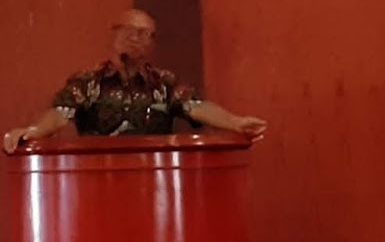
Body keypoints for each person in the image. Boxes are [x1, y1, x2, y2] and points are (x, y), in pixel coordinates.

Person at [3, 9, 267, 153]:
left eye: (143, 33)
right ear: (113, 35)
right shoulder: (88, 81)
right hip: (98, 179)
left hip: (155, 182)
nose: (134, 38)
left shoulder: (163, 83)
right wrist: (33, 131)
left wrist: (236, 122)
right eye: (128, 30)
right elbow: (60, 114)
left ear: (152, 43)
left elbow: (195, 107)